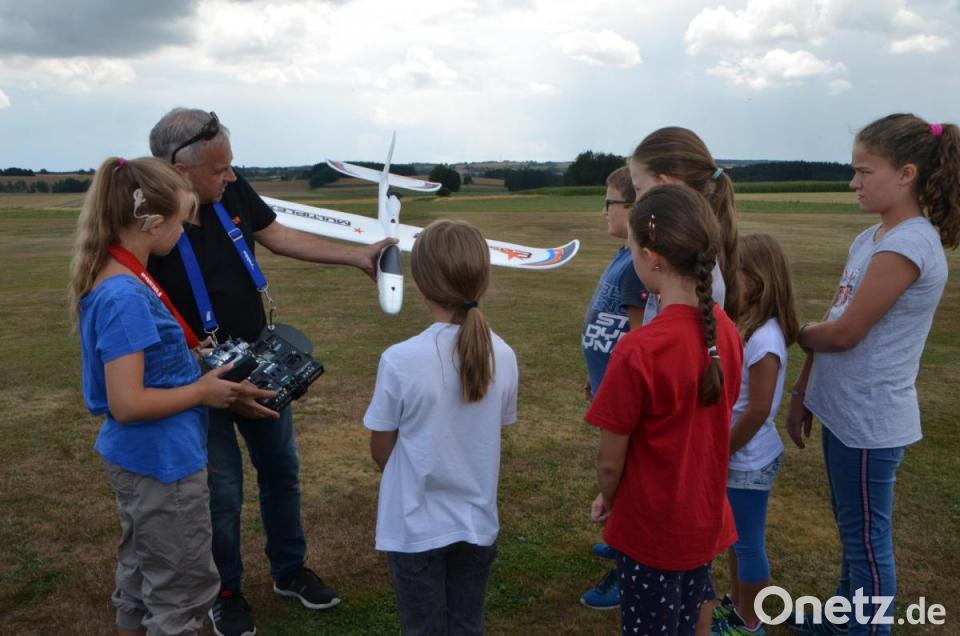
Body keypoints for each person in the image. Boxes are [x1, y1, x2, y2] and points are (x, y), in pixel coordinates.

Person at [146, 108, 393, 636]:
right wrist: (199, 371)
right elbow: (141, 302)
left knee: (281, 470)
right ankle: (226, 592)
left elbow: (278, 235)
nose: (231, 176)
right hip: (200, 381)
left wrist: (357, 258)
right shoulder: (151, 217)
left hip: (260, 365)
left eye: (231, 165)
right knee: (222, 492)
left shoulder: (231, 190)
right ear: (179, 170)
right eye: (219, 169)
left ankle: (289, 570)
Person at [786, 114, 957, 635]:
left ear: (906, 174)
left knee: (866, 541)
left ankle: (866, 628)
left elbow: (843, 333)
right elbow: (836, 317)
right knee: (853, 531)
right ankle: (846, 620)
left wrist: (791, 329)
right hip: (845, 410)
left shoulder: (909, 244)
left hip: (869, 420)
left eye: (864, 172)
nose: (853, 183)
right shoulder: (874, 236)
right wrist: (804, 389)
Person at [70, 156, 242, 635]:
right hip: (161, 462)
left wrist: (190, 359)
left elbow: (144, 368)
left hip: (143, 458)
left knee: (140, 576)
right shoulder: (125, 296)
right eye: (181, 222)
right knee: (181, 593)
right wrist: (202, 391)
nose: (183, 233)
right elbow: (127, 404)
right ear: (151, 222)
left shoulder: (117, 277)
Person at [587, 185, 743, 636]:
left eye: (632, 247)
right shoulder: (727, 332)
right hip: (703, 519)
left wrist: (609, 497)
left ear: (652, 257)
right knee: (691, 616)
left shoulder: (639, 349)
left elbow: (609, 462)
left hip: (652, 529)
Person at [364, 220, 519, 635]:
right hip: (477, 524)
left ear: (419, 283)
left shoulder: (400, 360)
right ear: (483, 279)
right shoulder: (504, 355)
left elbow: (381, 449)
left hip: (415, 527)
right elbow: (495, 426)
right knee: (467, 625)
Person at [711, 234, 799, 636]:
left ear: (758, 282)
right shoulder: (750, 330)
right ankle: (736, 605)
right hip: (739, 456)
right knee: (735, 539)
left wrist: (723, 449)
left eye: (735, 277)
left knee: (747, 544)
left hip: (748, 460)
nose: (728, 285)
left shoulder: (766, 339)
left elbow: (758, 410)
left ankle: (751, 622)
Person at [579, 166, 648, 610]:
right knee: (620, 472)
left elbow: (639, 343)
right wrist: (596, 371)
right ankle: (621, 535)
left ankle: (628, 567)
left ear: (634, 207)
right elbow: (611, 326)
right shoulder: (623, 256)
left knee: (628, 473)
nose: (604, 211)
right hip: (609, 387)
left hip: (626, 399)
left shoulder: (638, 268)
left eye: (610, 203)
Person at [628, 126, 741, 322]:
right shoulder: (694, 255)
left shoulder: (683, 267)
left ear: (666, 185)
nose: (636, 201)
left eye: (638, 189)